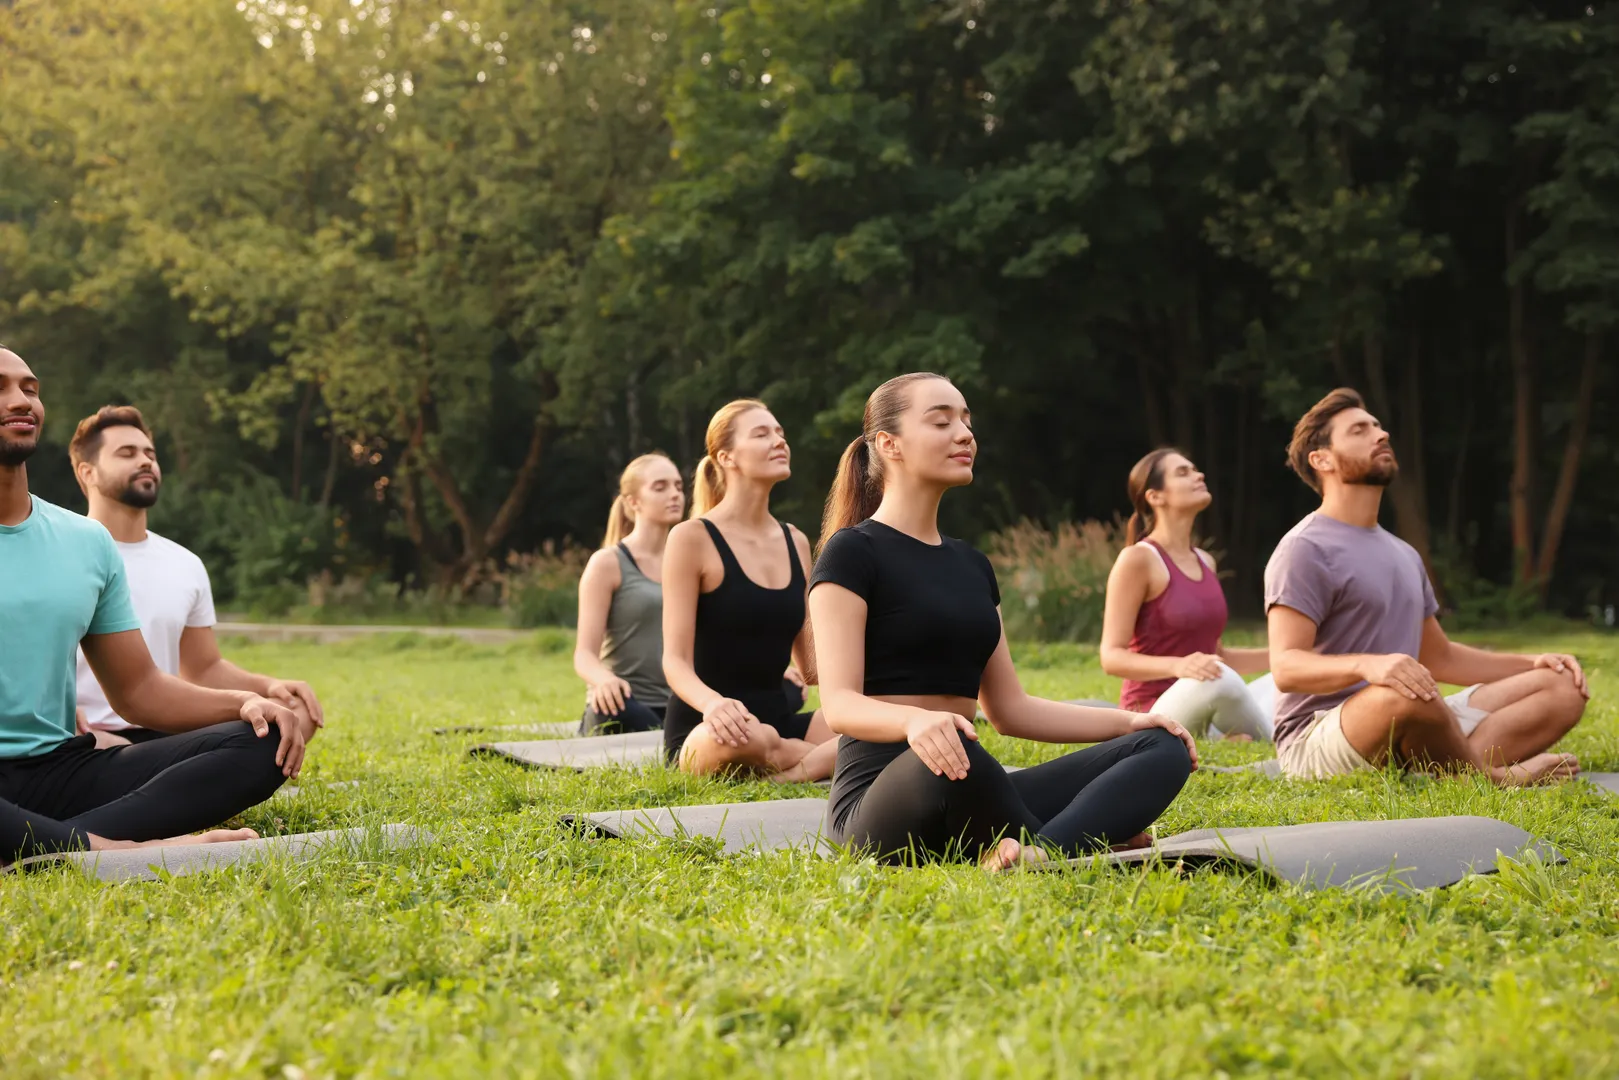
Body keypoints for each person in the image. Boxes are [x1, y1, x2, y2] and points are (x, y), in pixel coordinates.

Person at [809, 373, 1197, 871]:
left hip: (970, 776)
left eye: (967, 421)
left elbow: (1012, 709)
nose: (965, 434)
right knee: (963, 760)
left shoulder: (972, 565)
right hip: (885, 797)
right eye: (942, 420)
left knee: (1161, 747)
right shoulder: (851, 552)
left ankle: (1037, 852)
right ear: (889, 444)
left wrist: (1130, 722)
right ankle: (1076, 842)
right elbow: (840, 706)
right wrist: (917, 722)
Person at [0, 346, 302, 852]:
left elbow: (138, 689)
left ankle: (38, 845)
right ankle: (116, 848)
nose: (21, 400)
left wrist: (247, 701)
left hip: (57, 771)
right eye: (1, 389)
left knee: (260, 741)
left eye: (30, 388)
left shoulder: (85, 542)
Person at [1266, 387, 1588, 784]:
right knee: (1407, 690)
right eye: (1359, 431)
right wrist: (1370, 665)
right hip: (1318, 737)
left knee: (1562, 685)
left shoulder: (1404, 553)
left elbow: (1440, 658)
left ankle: (1451, 772)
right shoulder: (1304, 548)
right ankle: (1494, 781)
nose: (1380, 435)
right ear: (1322, 459)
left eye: (1379, 427)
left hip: (1414, 710)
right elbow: (1286, 666)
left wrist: (1536, 661)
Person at [69, 405, 324, 747]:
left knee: (292, 715)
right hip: (87, 733)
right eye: (126, 453)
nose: (145, 461)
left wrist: (266, 688)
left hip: (169, 727)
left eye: (150, 453)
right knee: (111, 752)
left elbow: (203, 668)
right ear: (88, 472)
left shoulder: (184, 563)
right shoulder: (62, 550)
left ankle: (162, 777)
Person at [661, 399, 836, 782]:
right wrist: (714, 705)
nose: (779, 441)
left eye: (780, 433)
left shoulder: (795, 541)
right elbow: (674, 662)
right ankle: (813, 762)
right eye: (762, 434)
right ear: (726, 457)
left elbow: (811, 666)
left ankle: (790, 766)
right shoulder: (691, 538)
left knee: (873, 727)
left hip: (779, 721)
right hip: (712, 730)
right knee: (740, 741)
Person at [1100, 448, 1272, 741]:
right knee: (1222, 680)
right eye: (1183, 472)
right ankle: (1283, 744)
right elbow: (1111, 657)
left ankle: (1229, 735)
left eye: (1195, 469)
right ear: (1155, 496)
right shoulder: (1138, 559)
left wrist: (1288, 658)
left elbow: (1216, 656)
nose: (1198, 475)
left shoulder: (1206, 561)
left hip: (1204, 703)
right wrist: (1178, 666)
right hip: (1152, 712)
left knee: (1281, 681)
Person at [573, 454, 686, 734]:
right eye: (660, 487)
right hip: (625, 705)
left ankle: (669, 736)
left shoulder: (690, 562)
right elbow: (584, 655)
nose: (674, 495)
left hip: (680, 703)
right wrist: (603, 681)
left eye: (678, 486)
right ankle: (669, 739)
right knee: (619, 711)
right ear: (633, 502)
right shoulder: (607, 563)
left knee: (783, 691)